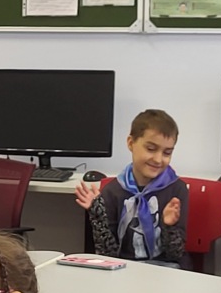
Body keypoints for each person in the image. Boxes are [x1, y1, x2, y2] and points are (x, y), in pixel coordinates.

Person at [74, 108, 188, 266]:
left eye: (167, 153)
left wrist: (169, 227)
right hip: (124, 268)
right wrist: (98, 216)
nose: (158, 159)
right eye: (151, 149)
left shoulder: (176, 190)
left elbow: (175, 254)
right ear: (130, 143)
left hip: (166, 268)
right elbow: (107, 254)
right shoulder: (112, 191)